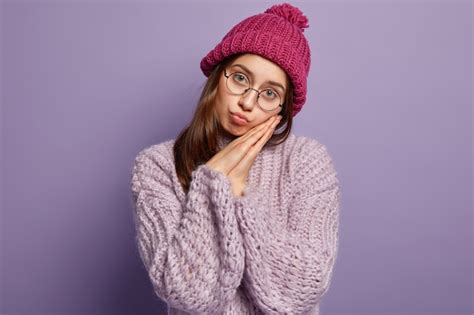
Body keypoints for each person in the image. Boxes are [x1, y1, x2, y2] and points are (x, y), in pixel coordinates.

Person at [130, 3, 341, 314]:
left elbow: (303, 288)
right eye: (240, 78)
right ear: (218, 76)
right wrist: (209, 185)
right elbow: (186, 293)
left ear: (283, 109)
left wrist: (239, 190)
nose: (247, 102)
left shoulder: (307, 161)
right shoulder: (158, 165)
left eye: (270, 93)